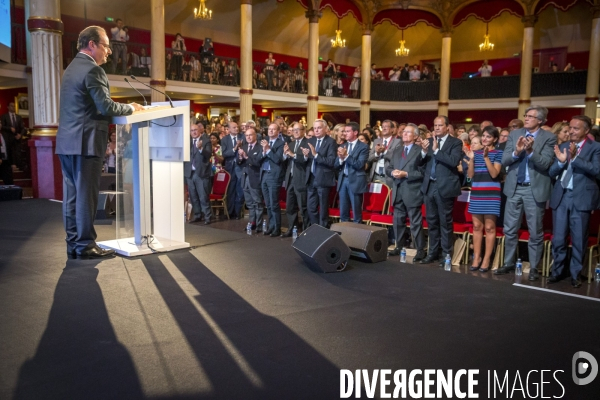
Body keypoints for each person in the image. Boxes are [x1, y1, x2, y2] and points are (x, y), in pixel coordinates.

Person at [56, 25, 144, 259]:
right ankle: (85, 246)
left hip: (67, 143)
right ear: (92, 44)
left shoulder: (70, 68)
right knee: (87, 196)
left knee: (73, 196)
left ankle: (73, 243)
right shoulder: (93, 70)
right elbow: (105, 106)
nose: (109, 52)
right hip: (86, 142)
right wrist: (130, 107)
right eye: (105, 46)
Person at [494, 106, 556, 280]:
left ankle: (534, 267)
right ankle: (508, 263)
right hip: (514, 187)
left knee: (535, 231)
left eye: (530, 116)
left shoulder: (549, 138)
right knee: (510, 229)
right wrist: (517, 151)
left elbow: (545, 163)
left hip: (533, 189)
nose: (526, 118)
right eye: (526, 115)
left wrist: (530, 152)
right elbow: (505, 160)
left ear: (540, 120)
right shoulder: (514, 134)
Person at [548, 116, 600, 288]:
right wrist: (562, 162)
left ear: (586, 131)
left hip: (581, 198)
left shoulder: (595, 148)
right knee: (559, 238)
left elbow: (597, 170)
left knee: (579, 239)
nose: (571, 131)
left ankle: (575, 274)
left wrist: (576, 158)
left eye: (576, 129)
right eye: (570, 127)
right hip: (562, 196)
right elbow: (552, 171)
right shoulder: (562, 146)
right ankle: (557, 271)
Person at [416, 116, 463, 265]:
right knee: (431, 222)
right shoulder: (429, 142)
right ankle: (432, 253)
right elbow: (420, 164)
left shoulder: (455, 142)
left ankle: (446, 255)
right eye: (435, 125)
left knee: (445, 223)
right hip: (430, 186)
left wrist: (436, 151)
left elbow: (454, 161)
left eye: (440, 125)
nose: (436, 128)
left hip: (445, 187)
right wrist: (423, 152)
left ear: (447, 127)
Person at [465, 126, 503, 272]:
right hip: (477, 192)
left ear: (495, 139)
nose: (485, 139)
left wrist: (486, 157)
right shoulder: (476, 153)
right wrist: (471, 160)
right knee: (477, 227)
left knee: (489, 227)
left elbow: (494, 174)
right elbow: (470, 175)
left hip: (491, 194)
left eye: (489, 137)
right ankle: (477, 257)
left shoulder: (498, 153)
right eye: (484, 136)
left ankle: (487, 258)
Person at [386, 123, 426, 262]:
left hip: (412, 190)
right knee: (397, 221)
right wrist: (392, 172)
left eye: (408, 132)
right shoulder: (397, 150)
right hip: (398, 189)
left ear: (415, 136)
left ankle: (420, 249)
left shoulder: (419, 150)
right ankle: (399, 246)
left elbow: (422, 172)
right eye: (403, 132)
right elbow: (389, 167)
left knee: (415, 222)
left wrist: (406, 174)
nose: (404, 134)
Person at [303, 119, 338, 227]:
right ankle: (315, 228)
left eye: (319, 128)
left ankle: (323, 230)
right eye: (315, 128)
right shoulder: (311, 140)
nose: (316, 130)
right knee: (311, 207)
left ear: (325, 129)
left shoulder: (331, 142)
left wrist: (316, 155)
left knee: (323, 208)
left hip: (323, 179)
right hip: (311, 178)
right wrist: (306, 156)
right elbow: (308, 159)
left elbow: (331, 161)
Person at [335, 122, 369, 223]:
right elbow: (336, 164)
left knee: (356, 212)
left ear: (355, 132)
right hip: (343, 180)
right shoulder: (343, 145)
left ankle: (356, 236)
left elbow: (359, 164)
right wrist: (341, 159)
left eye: (347, 131)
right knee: (343, 210)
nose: (345, 133)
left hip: (355, 181)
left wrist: (346, 156)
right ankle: (344, 234)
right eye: (344, 131)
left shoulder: (363, 147)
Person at [282, 123, 310, 235]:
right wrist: (285, 154)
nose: (296, 132)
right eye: (294, 130)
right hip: (290, 179)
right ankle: (291, 229)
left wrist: (292, 154)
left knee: (303, 207)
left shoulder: (307, 143)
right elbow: (286, 160)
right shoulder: (291, 144)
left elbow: (305, 160)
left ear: (303, 131)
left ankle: (306, 230)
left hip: (301, 179)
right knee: (290, 207)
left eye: (298, 130)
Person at [184, 123, 212, 225]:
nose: (194, 132)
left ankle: (207, 216)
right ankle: (197, 215)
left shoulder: (206, 141)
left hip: (201, 173)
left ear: (200, 130)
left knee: (203, 196)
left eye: (195, 130)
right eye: (192, 130)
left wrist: (201, 149)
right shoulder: (187, 142)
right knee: (193, 196)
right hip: (189, 173)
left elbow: (208, 154)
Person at [237, 127, 264, 232]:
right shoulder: (244, 146)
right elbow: (238, 162)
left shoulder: (259, 147)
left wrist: (246, 157)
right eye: (246, 135)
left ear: (255, 136)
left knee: (257, 203)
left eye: (250, 135)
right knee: (249, 204)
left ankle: (259, 225)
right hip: (245, 178)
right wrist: (240, 157)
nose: (248, 137)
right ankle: (252, 223)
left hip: (255, 178)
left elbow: (257, 162)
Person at [260, 123, 285, 236]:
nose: (270, 131)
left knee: (274, 203)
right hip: (264, 174)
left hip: (274, 175)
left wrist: (268, 150)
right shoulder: (264, 141)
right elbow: (259, 158)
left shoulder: (281, 143)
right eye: (269, 129)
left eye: (273, 129)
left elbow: (278, 159)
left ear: (278, 131)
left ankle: (277, 228)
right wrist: (263, 151)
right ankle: (271, 226)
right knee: (268, 204)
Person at [220, 121, 245, 219]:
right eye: (234, 127)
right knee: (230, 190)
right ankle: (230, 212)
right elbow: (225, 154)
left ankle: (238, 212)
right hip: (230, 167)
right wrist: (235, 148)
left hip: (240, 167)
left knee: (239, 190)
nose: (236, 129)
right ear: (229, 129)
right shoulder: (225, 139)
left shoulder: (243, 137)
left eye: (237, 127)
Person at [368, 119, 402, 187]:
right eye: (383, 126)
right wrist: (376, 154)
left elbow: (397, 158)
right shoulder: (376, 141)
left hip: (388, 178)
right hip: (375, 176)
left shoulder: (398, 142)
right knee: (376, 197)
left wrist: (385, 151)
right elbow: (369, 158)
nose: (384, 128)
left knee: (387, 197)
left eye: (386, 126)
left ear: (392, 129)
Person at [1, 102, 25, 171]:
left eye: (14, 106)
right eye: (11, 106)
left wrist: (20, 135)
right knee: (9, 152)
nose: (13, 108)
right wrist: (10, 128)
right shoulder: (4, 116)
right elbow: (2, 126)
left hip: (17, 138)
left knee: (17, 152)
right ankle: (10, 166)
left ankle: (18, 166)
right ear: (8, 107)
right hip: (8, 138)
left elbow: (23, 128)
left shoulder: (18, 117)